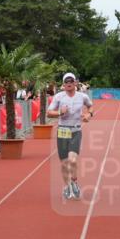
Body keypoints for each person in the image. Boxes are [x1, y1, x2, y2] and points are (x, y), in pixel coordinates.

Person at [46, 72, 95, 201]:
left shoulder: (82, 97)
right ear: (63, 84)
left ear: (75, 83)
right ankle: (67, 186)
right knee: (64, 163)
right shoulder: (58, 97)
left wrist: (88, 115)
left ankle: (74, 181)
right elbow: (49, 113)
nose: (68, 84)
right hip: (62, 131)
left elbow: (90, 107)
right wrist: (59, 113)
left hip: (76, 131)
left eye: (71, 81)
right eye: (66, 82)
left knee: (72, 161)